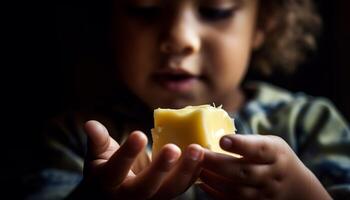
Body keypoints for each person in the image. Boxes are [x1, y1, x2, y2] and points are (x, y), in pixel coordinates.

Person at [20, 0, 349, 199]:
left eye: (215, 10)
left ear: (263, 23)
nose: (179, 39)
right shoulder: (77, 139)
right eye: (145, 10)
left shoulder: (310, 124)